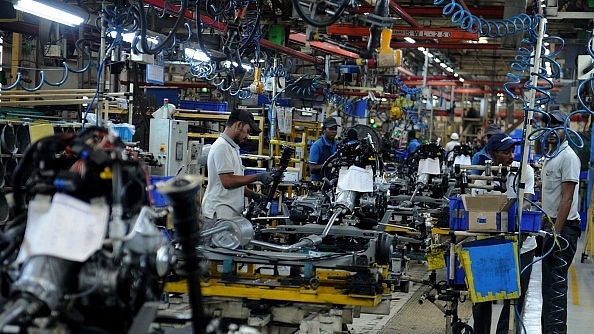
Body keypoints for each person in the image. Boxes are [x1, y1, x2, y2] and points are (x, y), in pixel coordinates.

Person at [471, 133, 536, 334]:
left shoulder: (524, 171)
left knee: (514, 298)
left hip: (522, 246)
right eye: (505, 152)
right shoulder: (482, 178)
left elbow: (527, 199)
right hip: (490, 243)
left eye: (512, 151)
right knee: (482, 296)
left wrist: (512, 214)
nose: (510, 155)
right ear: (492, 154)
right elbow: (475, 211)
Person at [540, 110, 582, 334]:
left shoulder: (569, 158)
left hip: (563, 230)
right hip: (551, 227)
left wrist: (555, 234)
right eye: (548, 127)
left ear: (566, 129)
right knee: (548, 288)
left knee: (556, 288)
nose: (552, 132)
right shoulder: (551, 157)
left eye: (557, 127)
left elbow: (566, 198)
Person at [201, 109, 275, 233]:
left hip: (227, 215)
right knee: (216, 252)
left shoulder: (232, 147)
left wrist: (253, 195)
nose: (247, 136)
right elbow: (227, 181)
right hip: (218, 216)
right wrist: (257, 177)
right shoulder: (222, 147)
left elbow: (235, 182)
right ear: (239, 125)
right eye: (247, 131)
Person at [309, 117, 340, 182]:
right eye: (331, 129)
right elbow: (312, 168)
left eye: (335, 129)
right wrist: (330, 164)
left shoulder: (338, 145)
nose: (334, 131)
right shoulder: (317, 146)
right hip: (318, 185)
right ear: (323, 130)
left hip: (333, 183)